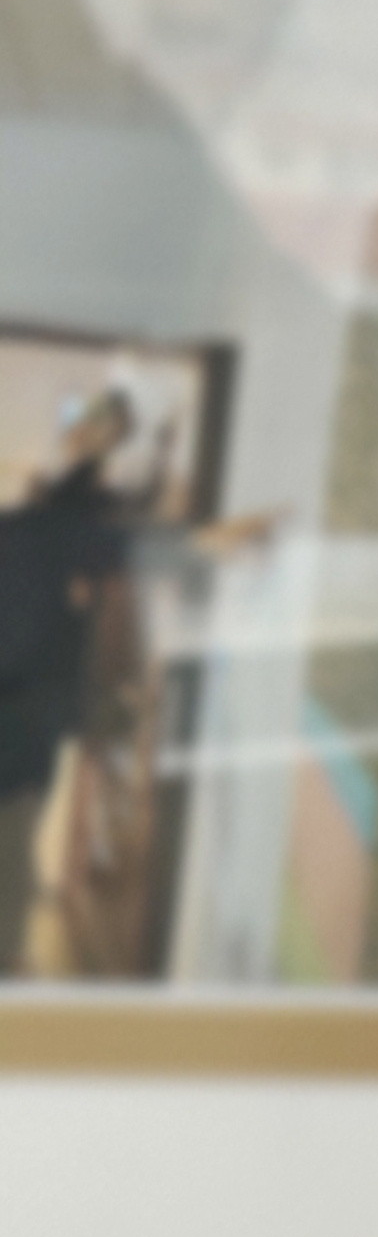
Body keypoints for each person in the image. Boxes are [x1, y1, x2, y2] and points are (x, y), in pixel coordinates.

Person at [0, 389, 146, 976]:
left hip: (28, 724)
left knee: (17, 839)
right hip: (23, 728)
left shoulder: (36, 527)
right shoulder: (52, 528)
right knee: (15, 839)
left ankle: (10, 959)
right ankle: (9, 962)